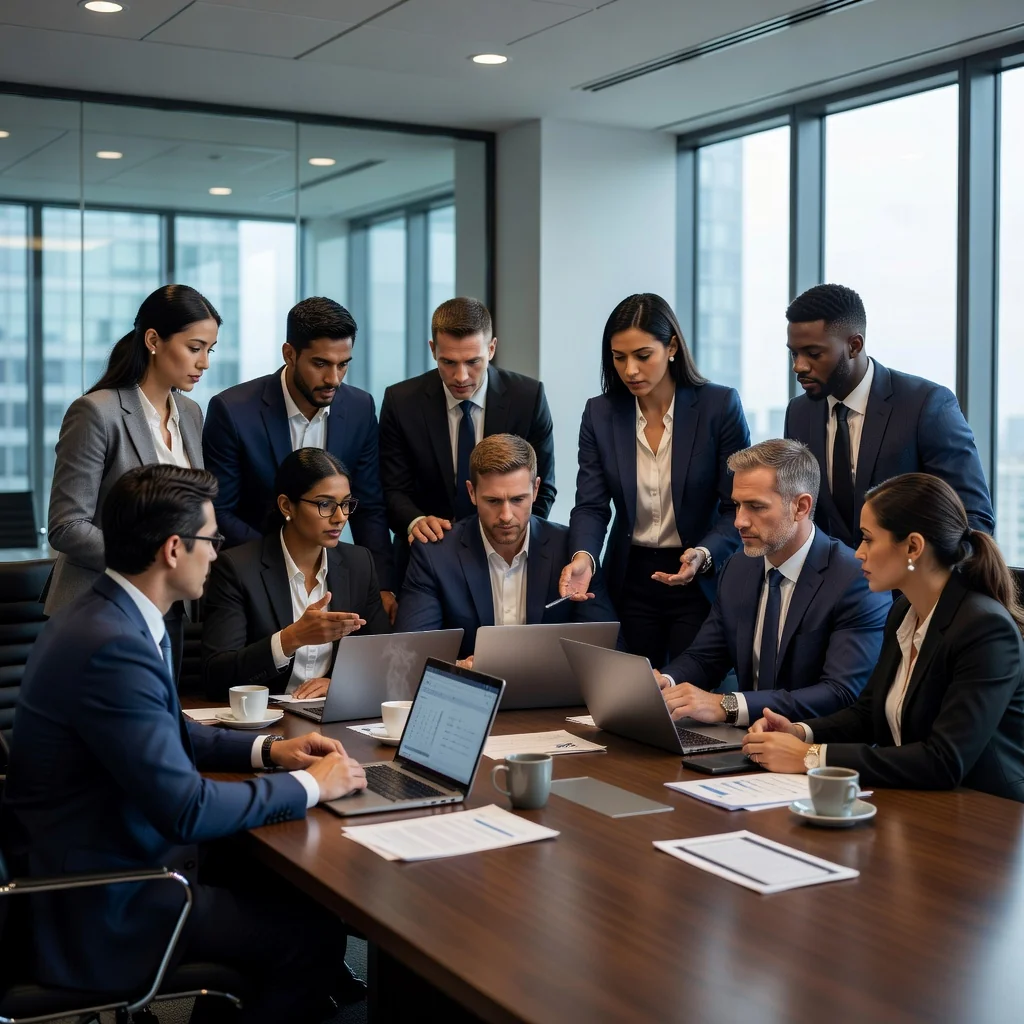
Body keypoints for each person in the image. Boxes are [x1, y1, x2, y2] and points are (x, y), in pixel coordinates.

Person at [3, 464, 370, 1022]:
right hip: (106, 906)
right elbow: (186, 808)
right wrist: (308, 785)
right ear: (174, 549)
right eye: (211, 540)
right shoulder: (112, 645)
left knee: (284, 890)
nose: (217, 555)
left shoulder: (107, 614)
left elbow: (167, 726)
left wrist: (267, 753)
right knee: (311, 933)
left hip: (92, 863)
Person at [743, 473, 1024, 801]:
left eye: (868, 539)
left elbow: (945, 761)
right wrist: (800, 732)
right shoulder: (904, 611)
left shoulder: (985, 630)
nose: (859, 552)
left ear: (913, 547)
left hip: (988, 814)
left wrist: (811, 757)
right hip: (918, 802)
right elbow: (868, 715)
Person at [560, 293, 750, 667]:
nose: (630, 370)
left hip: (698, 577)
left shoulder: (718, 406)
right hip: (631, 577)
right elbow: (592, 505)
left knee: (686, 697)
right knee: (633, 694)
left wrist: (703, 554)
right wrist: (583, 557)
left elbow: (736, 507)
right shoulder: (600, 413)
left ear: (672, 347)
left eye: (643, 355)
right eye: (619, 357)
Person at [45, 283, 221, 675]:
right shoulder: (97, 412)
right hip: (97, 609)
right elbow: (66, 526)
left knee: (161, 722)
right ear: (154, 340)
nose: (205, 362)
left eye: (210, 349)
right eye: (195, 348)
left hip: (166, 608)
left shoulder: (190, 413)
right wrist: (151, 564)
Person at [656, 439, 890, 726]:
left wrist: (728, 704)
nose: (739, 521)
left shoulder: (855, 579)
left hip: (817, 752)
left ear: (801, 507)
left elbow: (840, 692)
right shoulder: (737, 567)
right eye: (737, 505)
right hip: (744, 741)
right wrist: (665, 681)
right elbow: (706, 657)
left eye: (755, 507)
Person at [202, 296, 395, 620]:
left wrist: (382, 584)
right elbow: (219, 510)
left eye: (343, 363)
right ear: (289, 354)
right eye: (320, 364)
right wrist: (285, 559)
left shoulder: (360, 408)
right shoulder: (233, 411)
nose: (334, 378)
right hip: (248, 578)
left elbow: (370, 506)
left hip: (329, 577)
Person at [784, 282, 994, 549]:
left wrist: (919, 583)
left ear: (854, 346)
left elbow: (974, 520)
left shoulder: (926, 405)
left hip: (907, 588)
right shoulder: (798, 413)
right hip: (827, 588)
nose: (798, 366)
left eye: (813, 354)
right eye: (794, 353)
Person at [379, 297, 556, 581]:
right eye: (448, 362)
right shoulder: (401, 402)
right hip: (424, 560)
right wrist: (415, 522)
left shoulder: (528, 397)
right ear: (432, 349)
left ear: (492, 348)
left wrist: (509, 538)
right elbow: (391, 489)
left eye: (473, 362)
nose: (461, 376)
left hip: (508, 561)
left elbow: (542, 487)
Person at [395, 434, 615, 660]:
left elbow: (609, 649)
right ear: (472, 492)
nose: (506, 516)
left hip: (554, 693)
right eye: (493, 501)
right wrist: (456, 669)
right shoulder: (435, 555)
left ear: (536, 489)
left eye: (518, 499)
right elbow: (410, 654)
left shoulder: (572, 552)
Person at [202, 448, 392, 701]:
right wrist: (291, 638)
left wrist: (339, 684)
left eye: (345, 504)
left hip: (332, 713)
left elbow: (384, 657)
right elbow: (217, 676)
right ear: (286, 505)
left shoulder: (359, 563)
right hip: (263, 717)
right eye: (325, 504)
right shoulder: (236, 567)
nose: (340, 517)